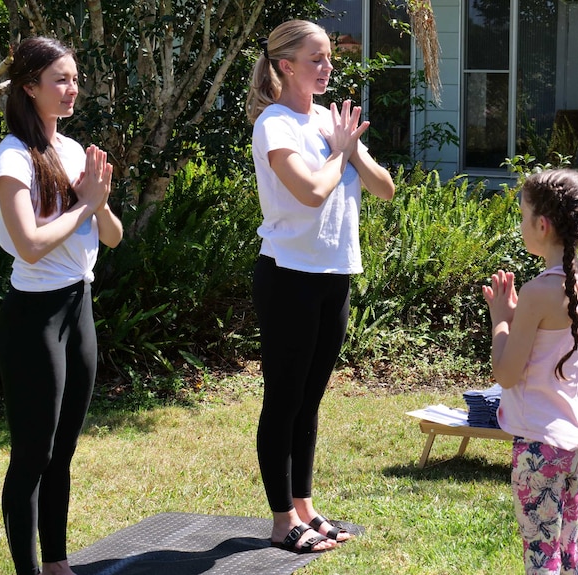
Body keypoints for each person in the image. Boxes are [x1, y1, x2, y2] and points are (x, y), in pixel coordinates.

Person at [245, 20, 395, 554]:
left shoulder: (333, 123)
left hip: (334, 276)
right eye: (316, 58)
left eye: (330, 57)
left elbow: (385, 188)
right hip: (288, 277)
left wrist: (350, 149)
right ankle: (282, 520)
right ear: (285, 65)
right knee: (283, 400)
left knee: (309, 402)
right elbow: (309, 192)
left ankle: (305, 507)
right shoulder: (275, 124)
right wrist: (338, 152)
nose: (328, 67)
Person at [0, 36, 123, 575]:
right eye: (60, 80)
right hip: (34, 318)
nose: (72, 89)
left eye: (74, 79)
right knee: (32, 458)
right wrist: (84, 203)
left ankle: (58, 566)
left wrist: (101, 202)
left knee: (62, 453)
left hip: (79, 308)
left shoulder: (72, 150)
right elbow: (29, 243)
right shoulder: (12, 156)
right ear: (29, 87)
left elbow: (110, 237)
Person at [482, 169, 578, 575]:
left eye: (522, 215)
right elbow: (549, 341)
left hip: (539, 445)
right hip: (573, 442)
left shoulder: (537, 292)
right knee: (566, 548)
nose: (520, 224)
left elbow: (507, 373)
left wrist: (501, 319)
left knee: (540, 554)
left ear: (542, 224)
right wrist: (521, 318)